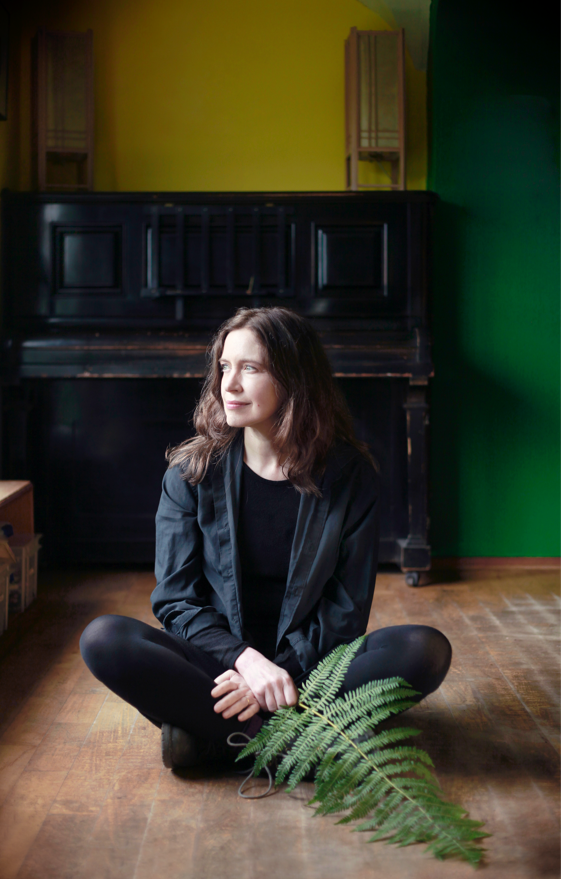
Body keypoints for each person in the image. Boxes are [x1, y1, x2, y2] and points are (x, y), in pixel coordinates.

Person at [80, 307, 451, 770]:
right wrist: (246, 663)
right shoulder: (190, 474)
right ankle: (299, 745)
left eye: (249, 369)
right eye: (224, 367)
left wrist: (277, 674)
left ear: (295, 380)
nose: (228, 386)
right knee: (104, 638)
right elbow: (177, 602)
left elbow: (346, 611)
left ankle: (215, 737)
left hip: (309, 669)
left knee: (424, 649)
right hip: (216, 664)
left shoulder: (349, 476)